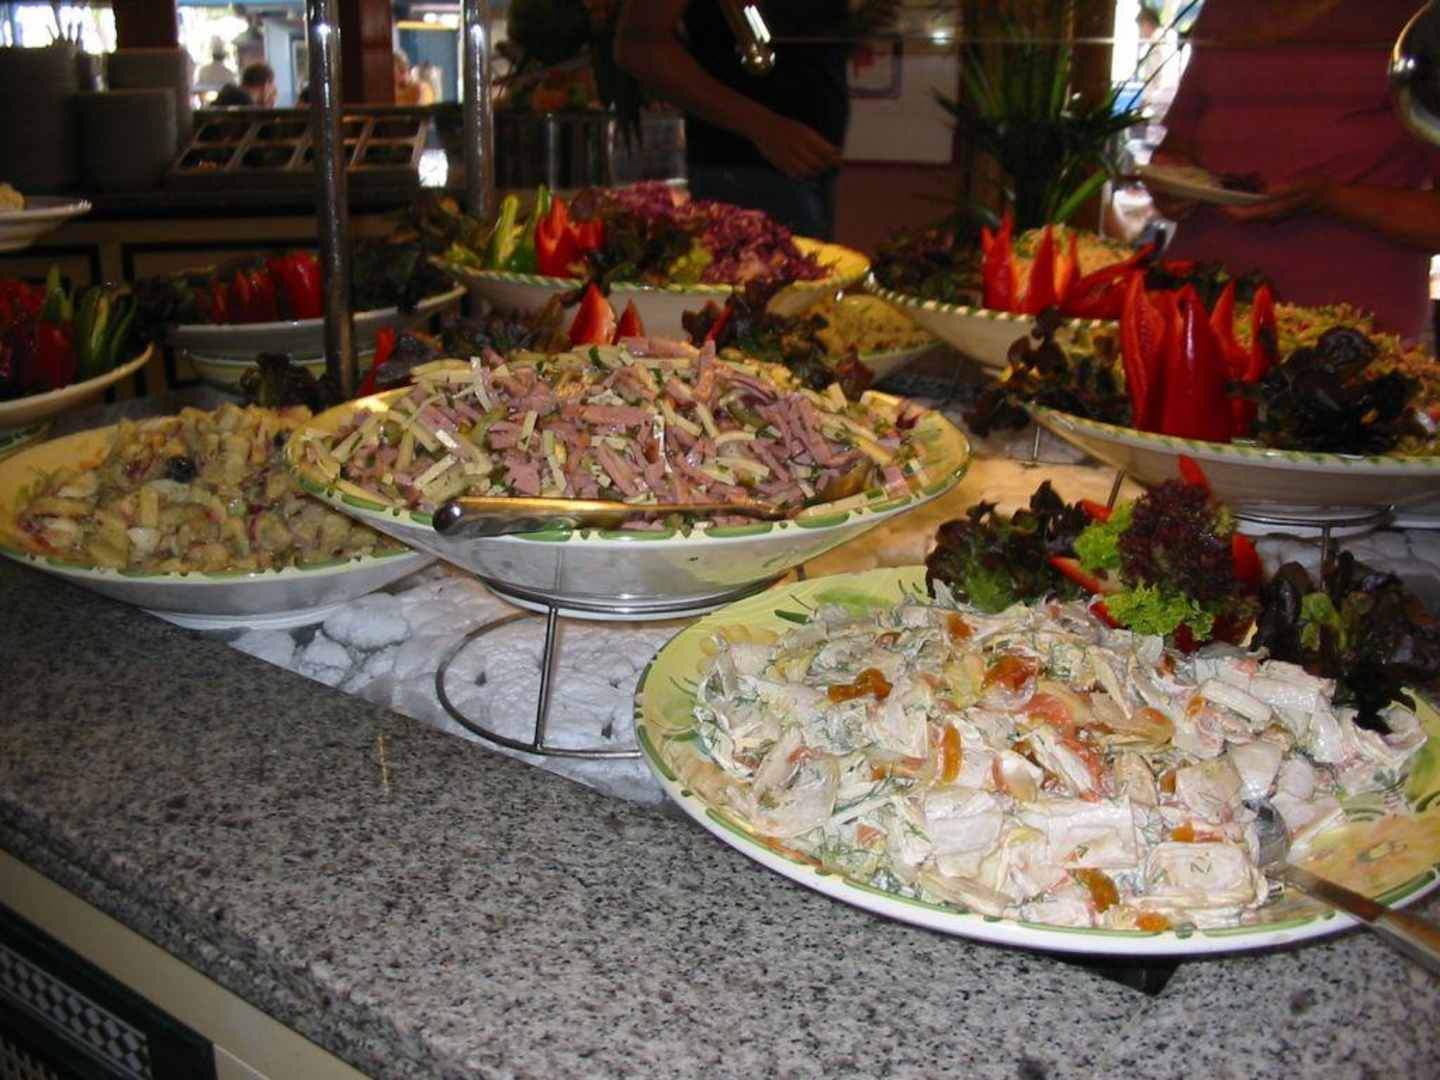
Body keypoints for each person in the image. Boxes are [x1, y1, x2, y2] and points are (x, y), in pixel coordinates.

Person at [1152, 0, 1440, 339]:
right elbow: (1177, 145)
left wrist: (1327, 197)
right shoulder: (1224, 10)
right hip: (1197, 309)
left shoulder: (1416, 18)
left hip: (1346, 330)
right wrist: (1171, 183)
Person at [615, 1, 896, 240]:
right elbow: (639, 47)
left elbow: (798, 46)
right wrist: (762, 127)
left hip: (810, 164)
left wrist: (857, 26)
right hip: (744, 168)